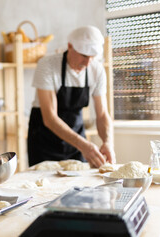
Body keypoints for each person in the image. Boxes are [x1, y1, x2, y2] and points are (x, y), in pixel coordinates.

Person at [27, 26, 116, 168]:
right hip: (44, 142)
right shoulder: (47, 65)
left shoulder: (97, 70)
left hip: (77, 143)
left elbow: (102, 115)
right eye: (84, 55)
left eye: (92, 57)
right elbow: (50, 118)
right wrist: (84, 145)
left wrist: (108, 142)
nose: (87, 63)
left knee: (79, 186)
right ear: (70, 46)